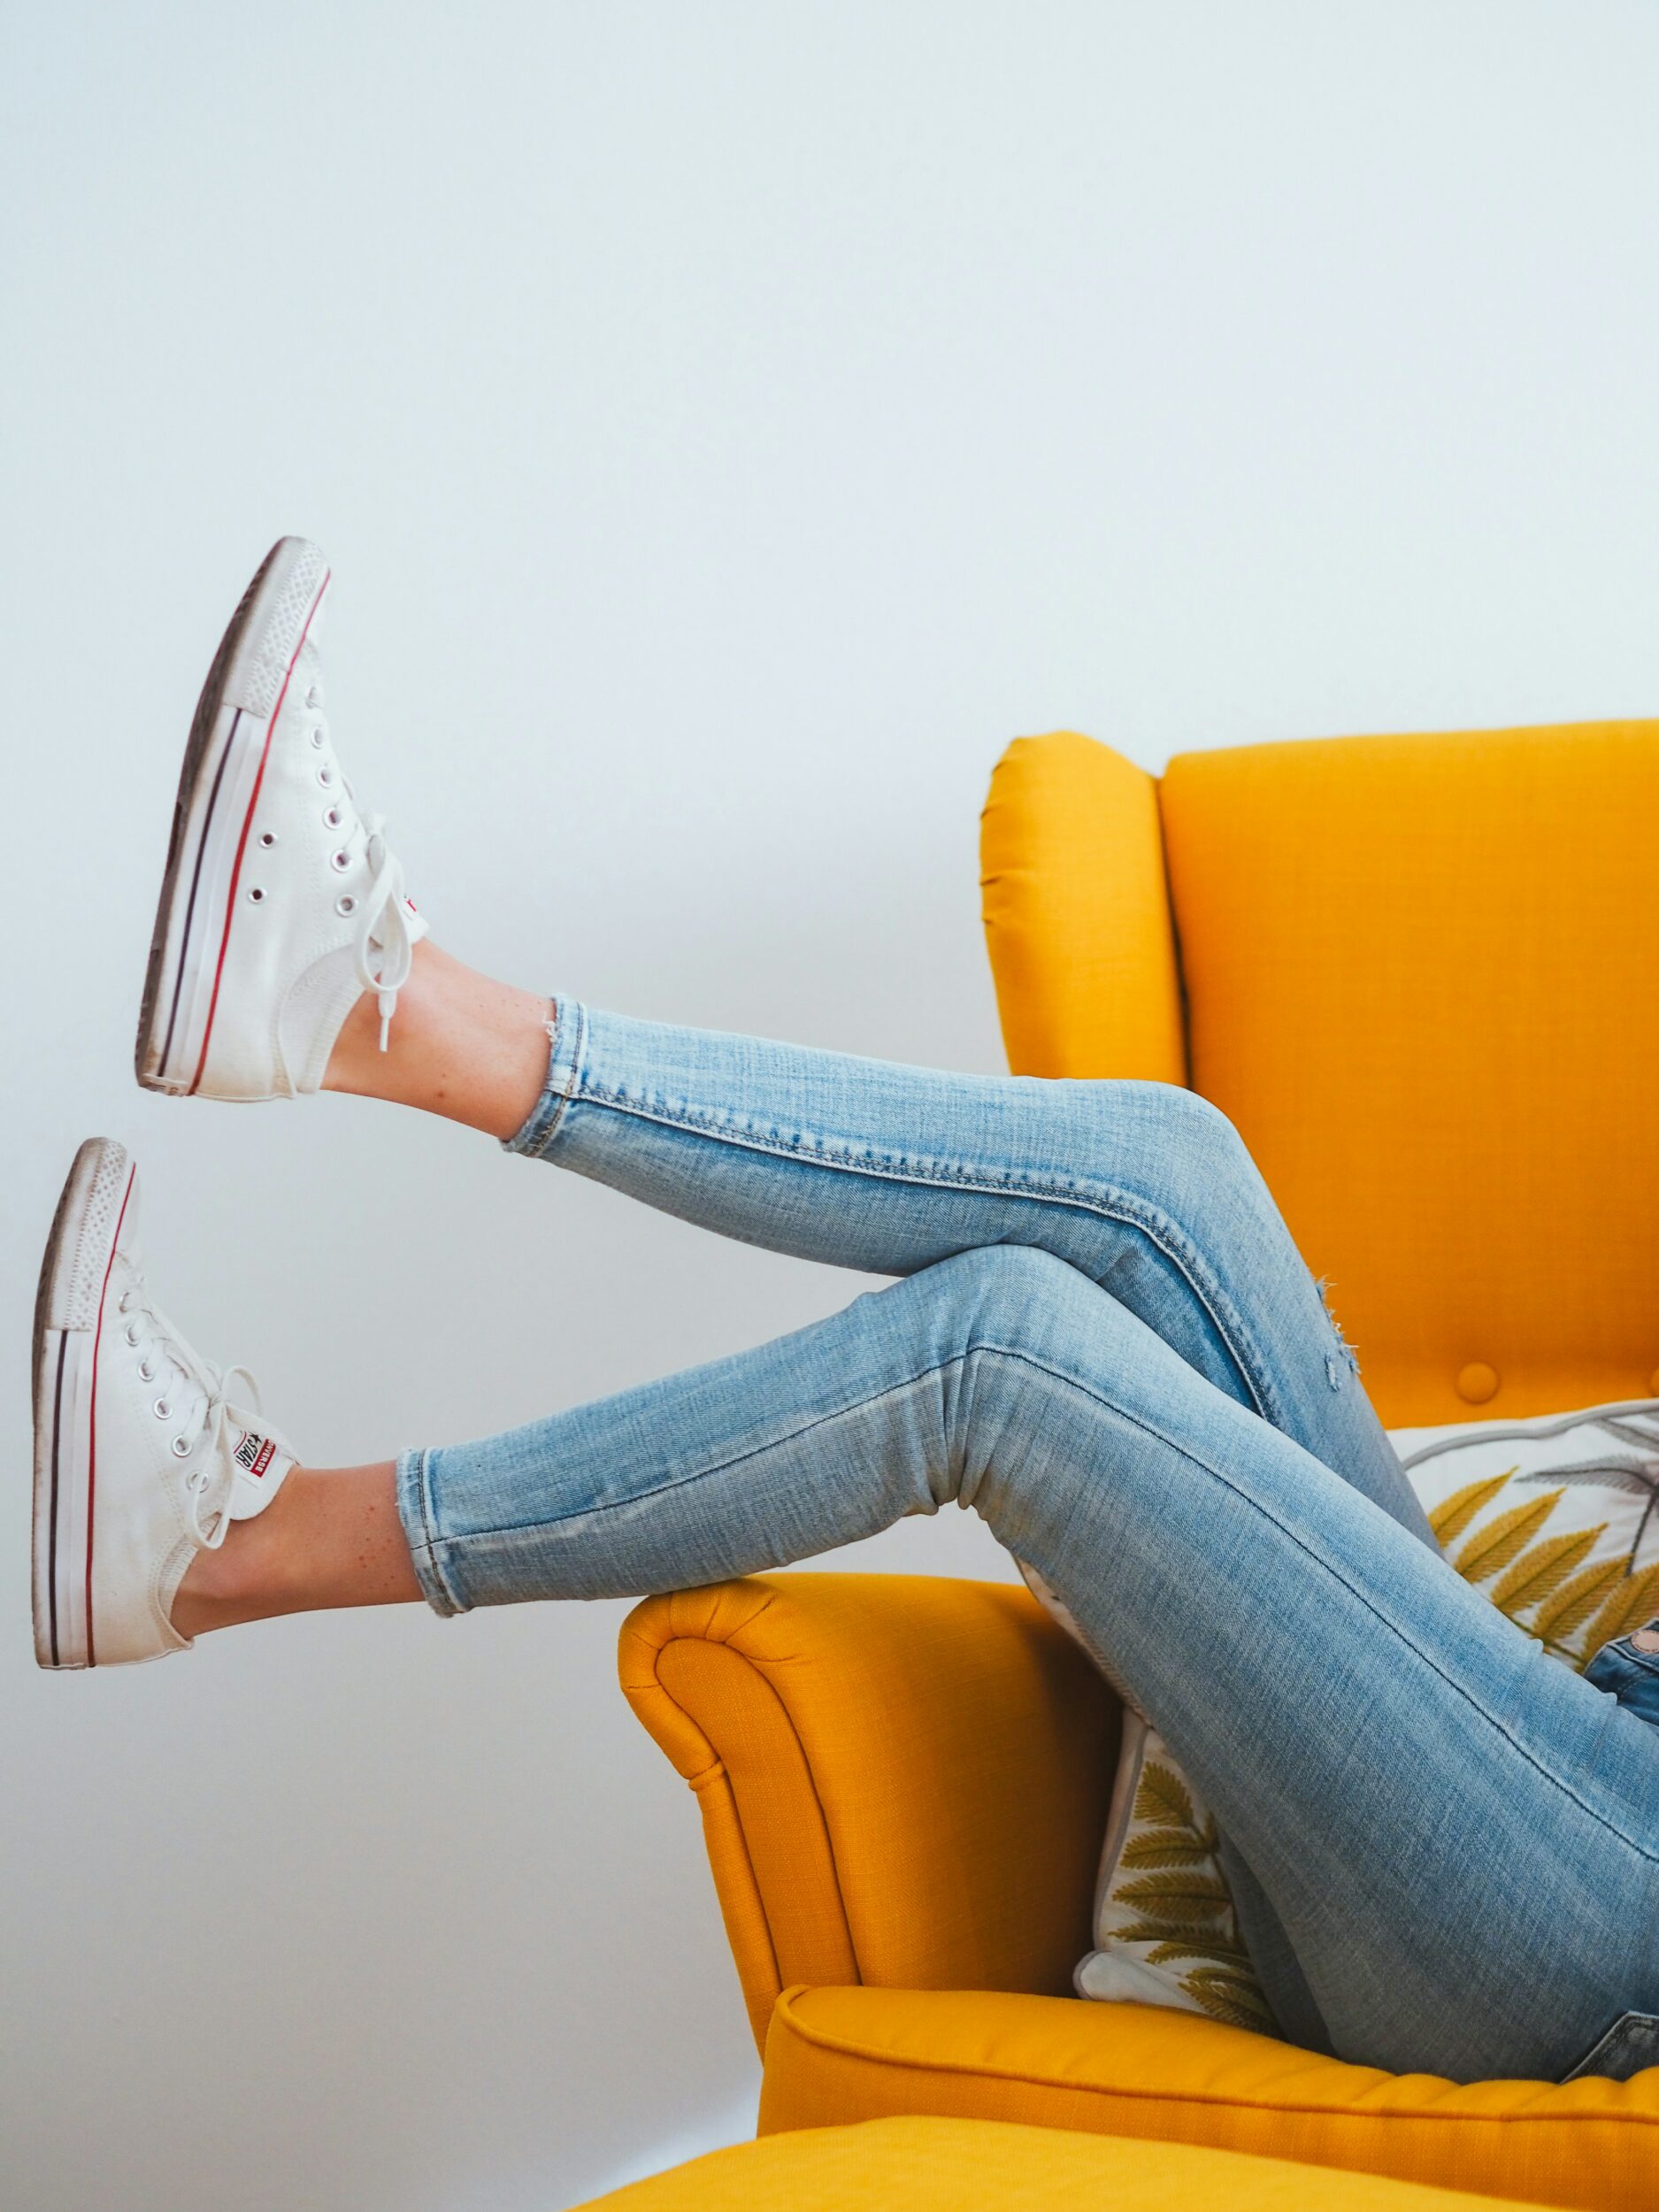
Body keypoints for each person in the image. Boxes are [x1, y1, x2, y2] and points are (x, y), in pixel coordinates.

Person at [31, 539, 1659, 2089]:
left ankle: (238, 1549)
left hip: (1600, 1948)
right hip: (1559, 1762)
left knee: (1003, 1353)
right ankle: (380, 1012)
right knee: (1162, 1172)